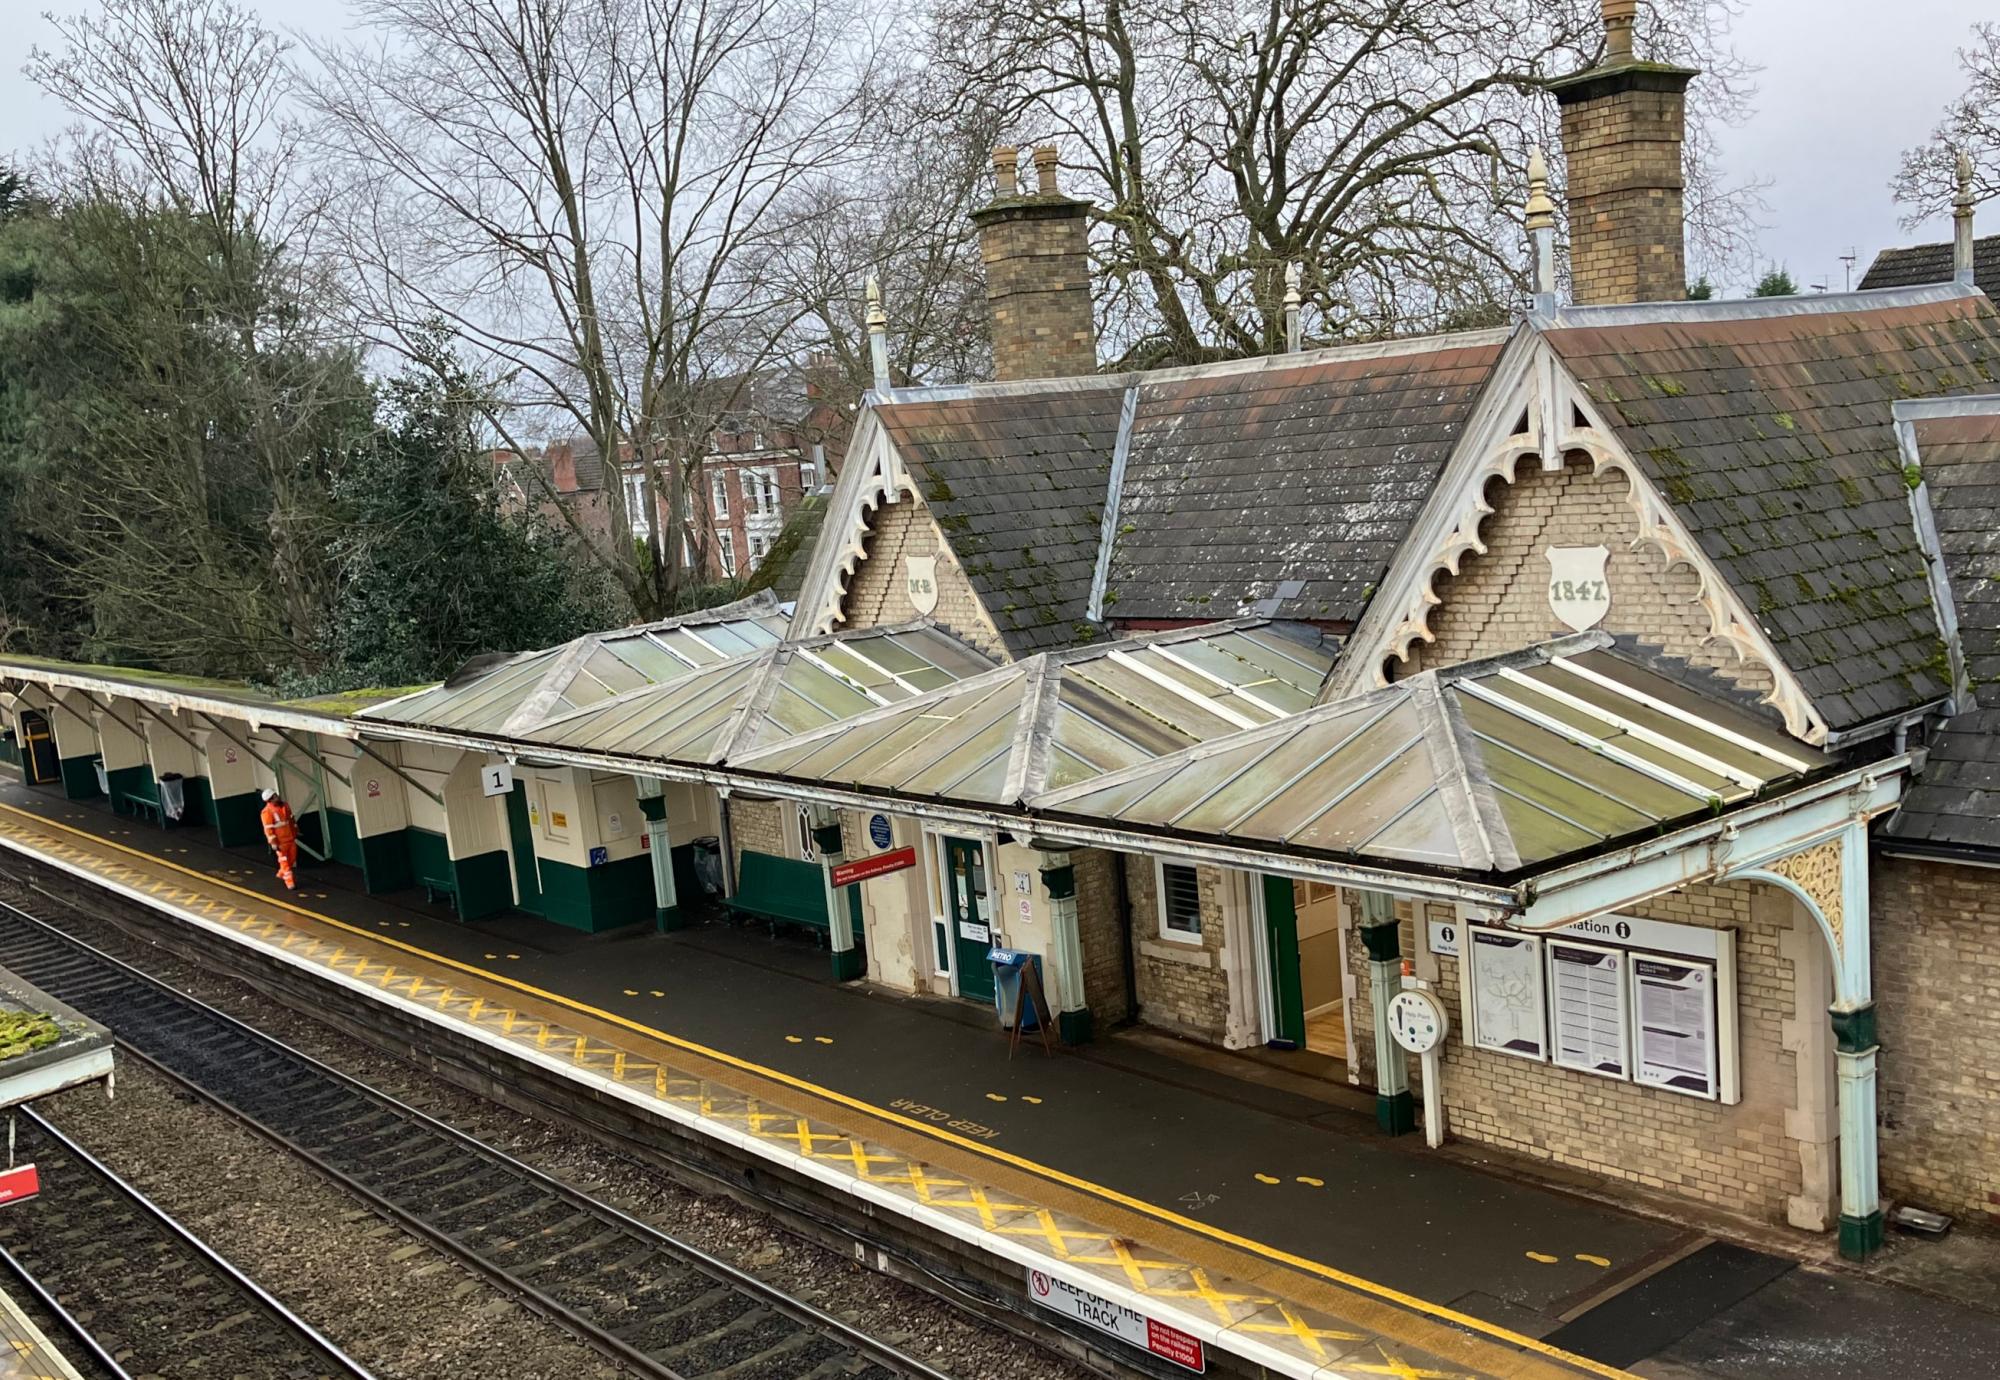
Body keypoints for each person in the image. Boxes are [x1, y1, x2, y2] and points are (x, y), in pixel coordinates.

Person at [260, 787, 298, 891]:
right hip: (280, 842)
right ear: (269, 800)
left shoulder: (285, 806)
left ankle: (281, 872)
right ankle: (289, 881)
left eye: (276, 795)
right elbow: (268, 829)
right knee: (284, 861)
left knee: (292, 858)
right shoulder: (266, 812)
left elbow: (291, 819)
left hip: (290, 838)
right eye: (274, 797)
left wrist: (295, 830)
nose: (277, 797)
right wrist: (273, 842)